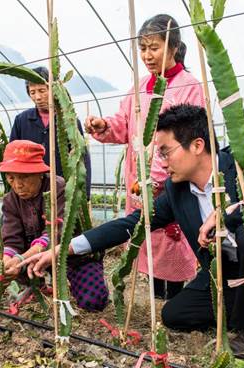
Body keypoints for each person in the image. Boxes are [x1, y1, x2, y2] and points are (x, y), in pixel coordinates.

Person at [22, 105, 244, 357]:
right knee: (176, 315)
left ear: (197, 145)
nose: (161, 160)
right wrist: (63, 249)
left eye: (165, 151)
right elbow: (131, 225)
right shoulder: (176, 191)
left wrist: (229, 212)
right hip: (227, 271)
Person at [84, 14, 203, 299]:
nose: (147, 56)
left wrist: (159, 175)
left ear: (173, 47)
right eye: (143, 49)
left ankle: (174, 299)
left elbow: (188, 138)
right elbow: (123, 124)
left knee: (172, 239)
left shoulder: (189, 86)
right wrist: (105, 126)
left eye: (154, 47)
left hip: (174, 181)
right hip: (138, 181)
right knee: (146, 237)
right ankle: (156, 298)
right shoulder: (139, 87)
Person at [0, 140, 108, 311]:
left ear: (40, 173)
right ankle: (37, 285)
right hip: (34, 260)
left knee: (93, 301)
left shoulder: (60, 188)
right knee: (12, 259)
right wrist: (6, 264)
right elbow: (12, 240)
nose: (17, 185)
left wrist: (21, 259)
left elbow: (55, 233)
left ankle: (75, 282)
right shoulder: (10, 201)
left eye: (24, 177)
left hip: (72, 257)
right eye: (11, 178)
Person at [10, 66, 91, 198]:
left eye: (42, 90)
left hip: (62, 191)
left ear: (53, 90)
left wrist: (84, 194)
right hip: (30, 191)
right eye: (32, 92)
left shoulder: (69, 120)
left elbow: (82, 158)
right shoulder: (21, 120)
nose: (38, 97)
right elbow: (12, 158)